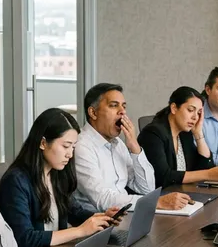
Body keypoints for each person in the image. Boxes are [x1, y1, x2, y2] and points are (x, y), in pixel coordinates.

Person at [0, 108, 115, 247]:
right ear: (43, 143)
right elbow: (24, 239)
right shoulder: (16, 181)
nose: (70, 154)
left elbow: (75, 212)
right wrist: (79, 231)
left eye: (73, 147)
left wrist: (101, 217)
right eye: (65, 146)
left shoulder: (56, 173)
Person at [73, 83, 191, 213]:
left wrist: (135, 147)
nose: (122, 111)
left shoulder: (117, 143)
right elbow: (103, 199)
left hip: (124, 215)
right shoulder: (82, 146)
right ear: (93, 112)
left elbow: (147, 189)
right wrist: (155, 202)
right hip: (97, 222)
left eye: (123, 106)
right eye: (113, 105)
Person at [138, 87, 218, 189]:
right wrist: (208, 174)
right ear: (174, 108)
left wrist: (198, 134)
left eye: (198, 113)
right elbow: (163, 177)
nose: (195, 117)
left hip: (182, 195)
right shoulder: (153, 134)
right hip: (159, 198)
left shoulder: (184, 134)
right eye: (190, 110)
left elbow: (204, 167)